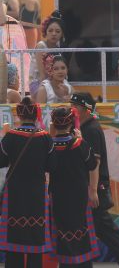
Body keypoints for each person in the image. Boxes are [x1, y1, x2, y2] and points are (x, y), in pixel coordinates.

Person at [70, 93, 119, 268]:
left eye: (74, 106)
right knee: (104, 227)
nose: (71, 109)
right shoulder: (83, 128)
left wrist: (92, 190)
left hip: (94, 187)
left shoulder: (91, 130)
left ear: (86, 109)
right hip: (89, 187)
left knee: (99, 226)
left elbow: (95, 163)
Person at [0, 97, 57, 268]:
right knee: (35, 235)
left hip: (15, 192)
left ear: (18, 114)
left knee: (14, 234)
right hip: (37, 191)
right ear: (36, 114)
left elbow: (1, 162)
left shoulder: (10, 136)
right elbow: (51, 166)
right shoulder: (45, 138)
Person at [49, 106, 100, 268]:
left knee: (62, 231)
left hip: (58, 196)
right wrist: (93, 191)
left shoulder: (49, 145)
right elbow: (92, 164)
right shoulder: (79, 144)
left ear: (53, 124)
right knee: (81, 231)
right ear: (72, 123)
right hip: (79, 195)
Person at [29, 11, 66, 96]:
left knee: (68, 91)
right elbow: (42, 75)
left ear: (62, 34)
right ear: (45, 32)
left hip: (53, 83)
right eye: (50, 31)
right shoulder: (41, 46)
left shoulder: (58, 50)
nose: (54, 34)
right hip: (38, 84)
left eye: (57, 31)